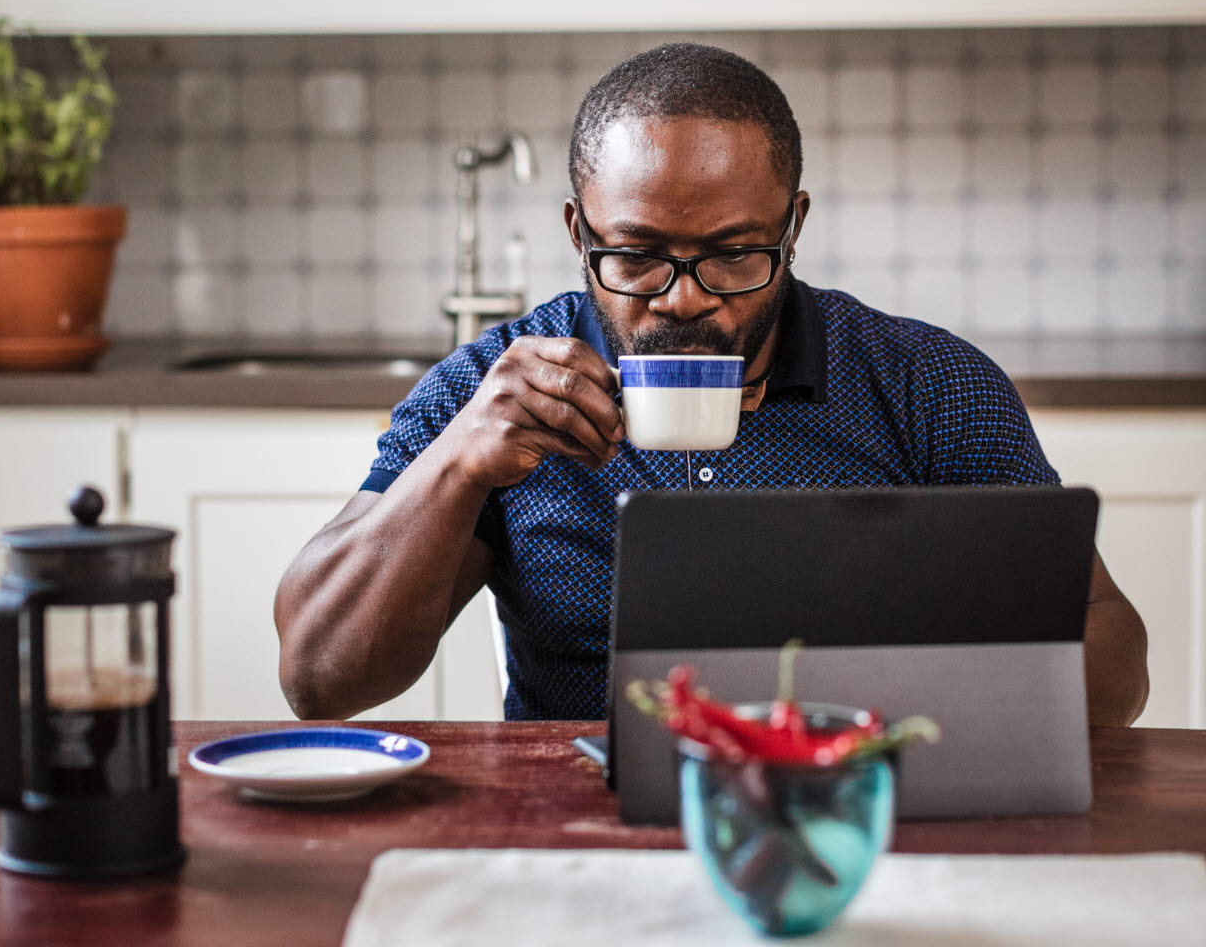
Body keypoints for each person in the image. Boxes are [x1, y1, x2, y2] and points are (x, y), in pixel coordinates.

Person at [275, 43, 1149, 728]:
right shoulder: (492, 394)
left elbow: (1116, 671)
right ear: (579, 232)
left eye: (734, 253)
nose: (684, 297)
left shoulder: (928, 386)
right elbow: (320, 681)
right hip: (574, 815)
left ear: (793, 225)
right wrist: (457, 465)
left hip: (848, 787)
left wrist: (923, 629)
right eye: (637, 254)